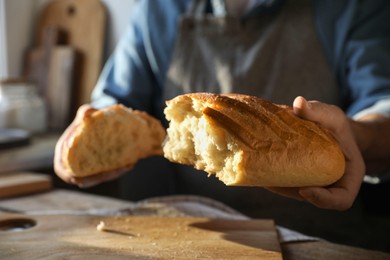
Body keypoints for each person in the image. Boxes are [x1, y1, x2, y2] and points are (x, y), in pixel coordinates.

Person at [54, 0, 390, 211]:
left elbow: (382, 103)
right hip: (201, 231)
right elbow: (115, 103)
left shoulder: (354, 7)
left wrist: (360, 135)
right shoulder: (158, 8)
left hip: (322, 238)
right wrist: (85, 133)